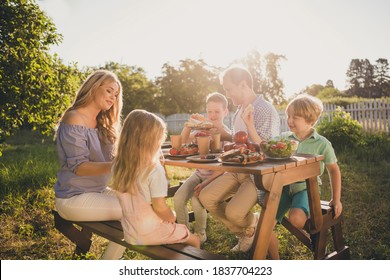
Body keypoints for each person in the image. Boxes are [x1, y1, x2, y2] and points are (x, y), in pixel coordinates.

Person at [199, 65, 280, 252]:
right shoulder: (237, 111)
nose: (227, 95)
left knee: (233, 213)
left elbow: (268, 151)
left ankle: (253, 221)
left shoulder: (265, 110)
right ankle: (247, 231)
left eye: (229, 89)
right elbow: (239, 143)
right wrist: (223, 135)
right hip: (237, 170)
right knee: (206, 197)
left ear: (243, 84)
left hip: (257, 175)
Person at [54, 69, 126, 259]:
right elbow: (80, 167)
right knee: (133, 210)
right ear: (94, 87)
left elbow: (115, 157)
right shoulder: (75, 117)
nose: (113, 97)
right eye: (109, 91)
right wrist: (117, 164)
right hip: (73, 198)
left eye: (116, 94)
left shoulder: (103, 122)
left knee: (140, 204)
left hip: (98, 191)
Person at [267, 94, 342, 259]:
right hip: (284, 188)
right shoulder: (284, 139)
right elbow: (266, 145)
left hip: (306, 189)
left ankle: (315, 231)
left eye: (295, 117)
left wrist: (336, 199)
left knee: (296, 219)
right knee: (263, 227)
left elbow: (334, 170)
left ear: (309, 119)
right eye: (288, 116)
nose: (289, 120)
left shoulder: (322, 143)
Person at [112, 109, 200, 248]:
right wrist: (172, 217)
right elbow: (159, 208)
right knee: (194, 240)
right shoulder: (153, 168)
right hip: (151, 232)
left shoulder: (119, 165)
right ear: (151, 141)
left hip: (130, 231)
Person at [174, 92, 231, 243]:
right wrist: (189, 124)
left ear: (225, 112)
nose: (212, 115)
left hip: (216, 176)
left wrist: (206, 183)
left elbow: (225, 167)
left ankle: (200, 234)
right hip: (199, 174)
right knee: (178, 198)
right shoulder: (202, 130)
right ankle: (183, 233)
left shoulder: (226, 134)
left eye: (217, 112)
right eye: (209, 111)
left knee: (196, 200)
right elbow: (183, 141)